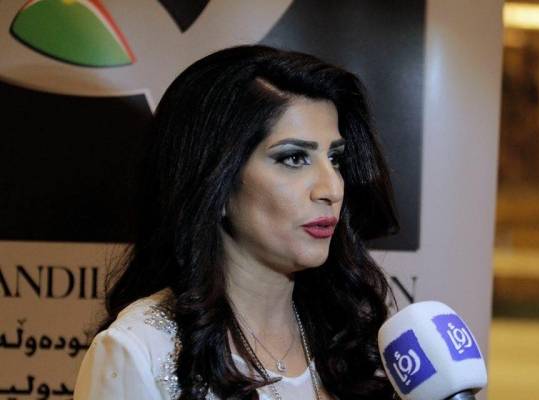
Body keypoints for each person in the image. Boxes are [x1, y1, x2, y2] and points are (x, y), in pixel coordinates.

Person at [74, 45, 399, 400]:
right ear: (217, 179)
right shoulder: (142, 351)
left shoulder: (354, 340)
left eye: (335, 159)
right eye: (294, 158)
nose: (332, 189)